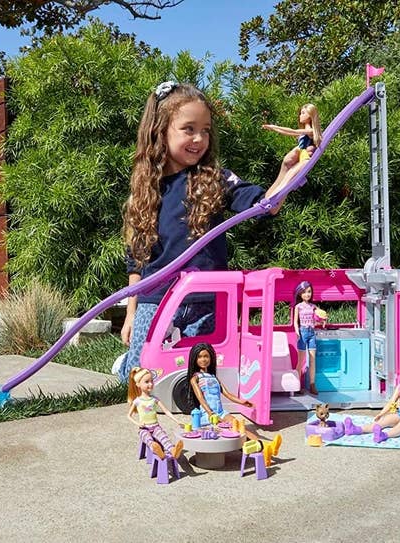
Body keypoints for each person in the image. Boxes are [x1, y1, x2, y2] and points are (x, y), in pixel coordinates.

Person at [118, 81, 288, 382]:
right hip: (156, 301)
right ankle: (123, 364)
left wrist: (289, 170)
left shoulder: (215, 180)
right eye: (188, 129)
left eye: (206, 130)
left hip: (209, 301)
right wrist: (131, 313)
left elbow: (266, 204)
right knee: (141, 381)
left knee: (207, 377)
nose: (199, 138)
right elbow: (137, 258)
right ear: (161, 130)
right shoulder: (146, 190)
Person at [187, 342, 282, 454]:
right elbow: (201, 399)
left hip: (220, 412)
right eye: (200, 357)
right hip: (209, 414)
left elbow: (227, 394)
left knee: (239, 426)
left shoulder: (213, 377)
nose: (203, 360)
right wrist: (210, 413)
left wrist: (242, 402)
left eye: (206, 356)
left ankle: (266, 446)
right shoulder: (195, 378)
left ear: (211, 358)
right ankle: (263, 448)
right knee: (233, 429)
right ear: (195, 359)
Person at [343, 353, 400, 442]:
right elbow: (391, 402)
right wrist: (381, 413)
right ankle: (355, 429)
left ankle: (384, 435)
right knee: (382, 422)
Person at [262, 103, 323, 194]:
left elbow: (291, 131)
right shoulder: (305, 132)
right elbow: (288, 132)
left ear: (310, 116)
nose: (300, 116)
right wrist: (273, 128)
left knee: (288, 178)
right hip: (301, 157)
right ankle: (273, 195)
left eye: (303, 113)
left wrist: (273, 127)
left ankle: (275, 195)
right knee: (287, 176)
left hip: (304, 158)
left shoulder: (310, 131)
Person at [127, 366, 184, 460]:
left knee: (163, 437)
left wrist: (177, 421)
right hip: (144, 428)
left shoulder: (154, 399)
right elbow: (129, 416)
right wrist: (138, 424)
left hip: (155, 426)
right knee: (148, 440)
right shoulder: (137, 401)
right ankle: (159, 452)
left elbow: (166, 411)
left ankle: (173, 450)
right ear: (138, 384)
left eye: (151, 381)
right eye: (146, 382)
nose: (150, 384)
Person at [293, 281, 327, 395]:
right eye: (304, 292)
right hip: (302, 333)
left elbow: (319, 317)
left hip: (312, 333)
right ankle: (297, 384)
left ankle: (312, 384)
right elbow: (295, 322)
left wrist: (322, 320)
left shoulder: (314, 307)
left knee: (312, 360)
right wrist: (297, 332)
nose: (307, 294)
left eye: (309, 292)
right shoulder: (298, 307)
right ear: (300, 294)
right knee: (300, 361)